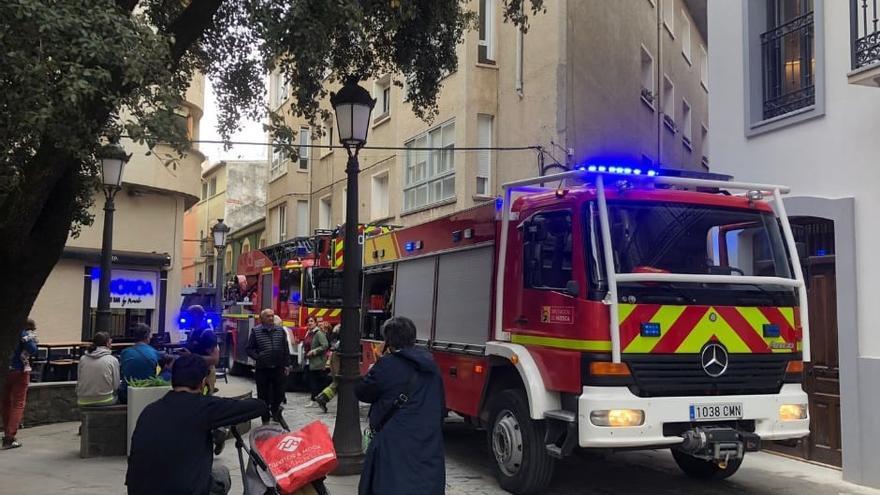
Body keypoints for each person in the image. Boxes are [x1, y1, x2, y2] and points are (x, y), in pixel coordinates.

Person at [126, 354, 267, 495]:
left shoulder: (149, 410)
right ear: (203, 382)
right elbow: (259, 406)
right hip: (182, 489)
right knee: (221, 474)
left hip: (139, 489)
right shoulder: (204, 407)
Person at [356, 316, 445, 495]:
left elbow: (363, 392)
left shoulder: (387, 365)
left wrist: (376, 364)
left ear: (388, 340)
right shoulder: (431, 365)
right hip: (426, 441)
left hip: (393, 441)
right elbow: (441, 404)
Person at [246, 309, 290, 425]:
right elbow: (249, 349)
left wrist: (287, 364)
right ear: (262, 319)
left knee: (280, 393)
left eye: (272, 316)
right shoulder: (256, 331)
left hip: (278, 368)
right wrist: (259, 357)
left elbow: (286, 349)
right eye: (268, 316)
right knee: (263, 396)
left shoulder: (280, 331)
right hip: (263, 369)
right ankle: (265, 420)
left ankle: (275, 411)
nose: (271, 318)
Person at [1, 318, 38, 450]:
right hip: (19, 370)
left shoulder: (4, 331)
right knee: (18, 403)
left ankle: (6, 431)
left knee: (5, 402)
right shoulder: (22, 334)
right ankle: (9, 437)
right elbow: (33, 350)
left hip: (3, 370)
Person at [119, 323, 163, 403]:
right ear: (147, 337)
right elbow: (158, 372)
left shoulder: (125, 352)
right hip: (147, 393)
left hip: (127, 394)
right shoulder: (154, 353)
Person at [76, 332, 121, 407]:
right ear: (107, 344)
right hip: (105, 399)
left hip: (83, 399)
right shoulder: (112, 360)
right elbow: (116, 385)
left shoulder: (83, 359)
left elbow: (79, 378)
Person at [185, 304, 220, 393]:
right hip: (194, 373)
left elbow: (214, 359)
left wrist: (191, 356)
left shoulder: (206, 334)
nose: (187, 320)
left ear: (196, 316)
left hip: (206, 375)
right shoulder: (193, 332)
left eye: (189, 316)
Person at [314, 324, 341, 413]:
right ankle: (322, 397)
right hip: (338, 359)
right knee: (338, 381)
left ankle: (322, 397)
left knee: (336, 382)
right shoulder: (340, 340)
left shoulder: (335, 335)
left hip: (335, 358)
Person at [304, 320, 330, 407]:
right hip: (308, 361)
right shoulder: (308, 333)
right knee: (310, 380)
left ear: (315, 323)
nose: (309, 323)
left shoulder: (318, 333)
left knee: (314, 381)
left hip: (317, 361)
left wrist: (315, 351)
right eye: (308, 322)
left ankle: (315, 399)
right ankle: (317, 399)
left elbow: (325, 345)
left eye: (311, 321)